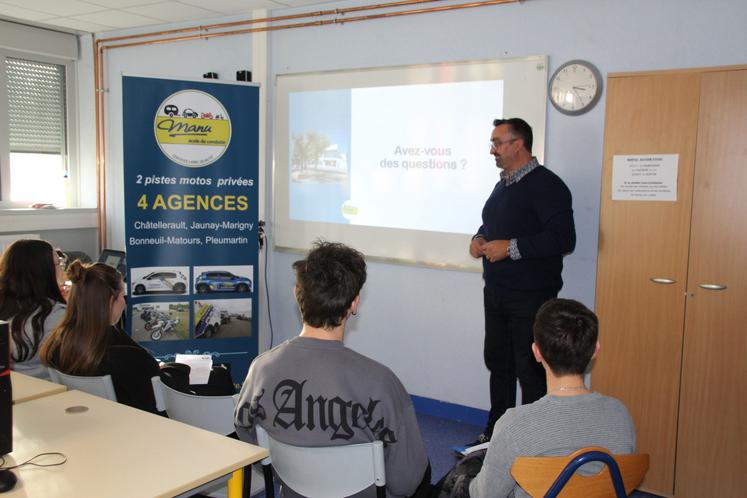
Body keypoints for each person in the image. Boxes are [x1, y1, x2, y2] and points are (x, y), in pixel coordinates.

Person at [234, 241, 431, 498]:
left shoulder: (261, 369)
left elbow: (247, 433)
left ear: (297, 293)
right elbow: (405, 482)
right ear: (354, 304)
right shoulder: (381, 382)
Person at [437, 299, 636, 498]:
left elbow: (484, 495)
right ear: (595, 350)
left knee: (456, 477)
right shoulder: (620, 415)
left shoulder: (514, 424)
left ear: (536, 352)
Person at [469, 118, 576, 443]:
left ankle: (532, 442)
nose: (492, 150)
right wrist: (479, 238)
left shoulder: (549, 185)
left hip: (531, 296)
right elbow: (493, 225)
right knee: (498, 365)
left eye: (498, 143)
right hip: (497, 293)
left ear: (519, 144)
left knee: (530, 370)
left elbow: (563, 239)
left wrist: (511, 248)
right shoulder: (503, 185)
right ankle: (495, 435)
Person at [39, 261, 165, 413]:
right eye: (122, 296)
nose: (124, 303)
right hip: (136, 429)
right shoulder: (129, 358)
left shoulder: (56, 344)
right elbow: (157, 405)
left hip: (89, 424)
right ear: (111, 301)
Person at [0, 239, 67, 379]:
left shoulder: (6, 305)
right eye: (58, 263)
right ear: (43, 271)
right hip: (47, 391)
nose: (62, 268)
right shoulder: (56, 314)